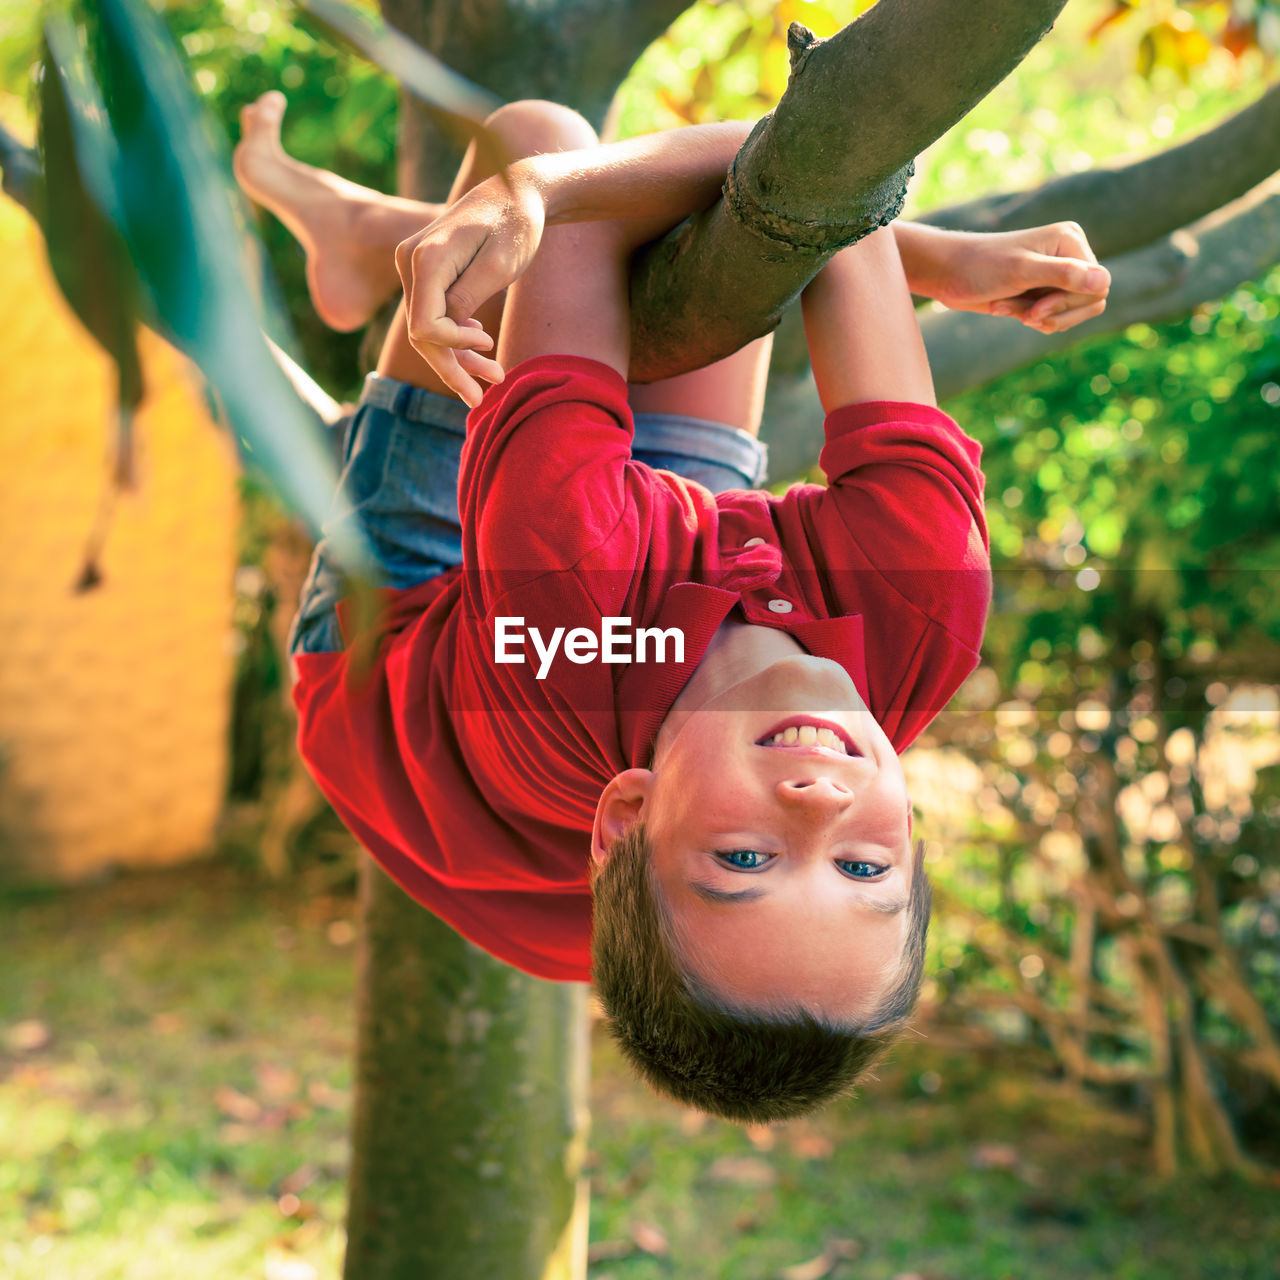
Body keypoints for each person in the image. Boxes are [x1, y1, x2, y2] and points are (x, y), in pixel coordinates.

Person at [236, 93, 1109, 1121]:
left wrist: (921, 255)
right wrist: (906, 250)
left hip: (408, 680)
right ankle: (363, 235)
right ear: (910, 836)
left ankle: (377, 238)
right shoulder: (919, 608)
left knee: (551, 145)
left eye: (748, 858)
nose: (820, 804)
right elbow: (823, 187)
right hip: (648, 643)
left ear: (630, 811)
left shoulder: (564, 597)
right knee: (722, 266)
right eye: (864, 862)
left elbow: (561, 186)